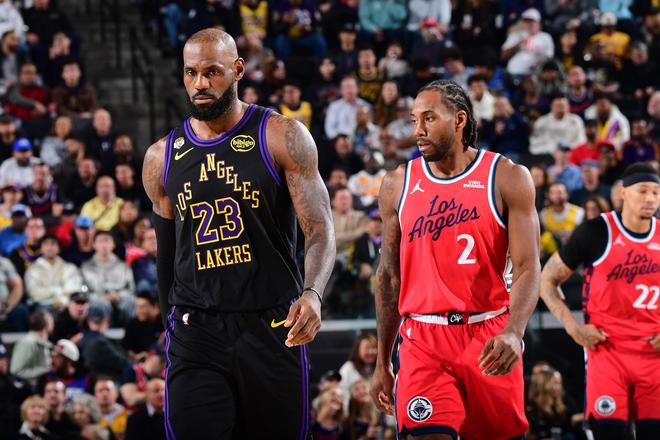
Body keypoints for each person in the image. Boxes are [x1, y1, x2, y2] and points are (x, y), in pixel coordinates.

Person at [141, 28, 335, 439]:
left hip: (272, 323)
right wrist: (169, 325)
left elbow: (319, 229)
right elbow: (166, 254)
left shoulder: (281, 135)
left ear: (238, 70)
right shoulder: (161, 157)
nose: (200, 83)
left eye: (212, 72)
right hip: (197, 329)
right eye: (191, 73)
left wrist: (313, 293)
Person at [370, 80, 540, 439]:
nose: (418, 130)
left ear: (459, 120)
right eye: (415, 120)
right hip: (422, 339)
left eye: (429, 118)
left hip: (489, 334)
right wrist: (382, 360)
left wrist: (515, 331)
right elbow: (388, 277)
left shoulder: (507, 177)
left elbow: (528, 266)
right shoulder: (397, 183)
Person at [539, 162, 660, 440]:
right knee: (609, 433)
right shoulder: (596, 231)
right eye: (643, 190)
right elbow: (547, 279)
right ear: (623, 193)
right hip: (607, 351)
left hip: (653, 354)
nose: (651, 198)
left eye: (656, 192)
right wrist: (573, 327)